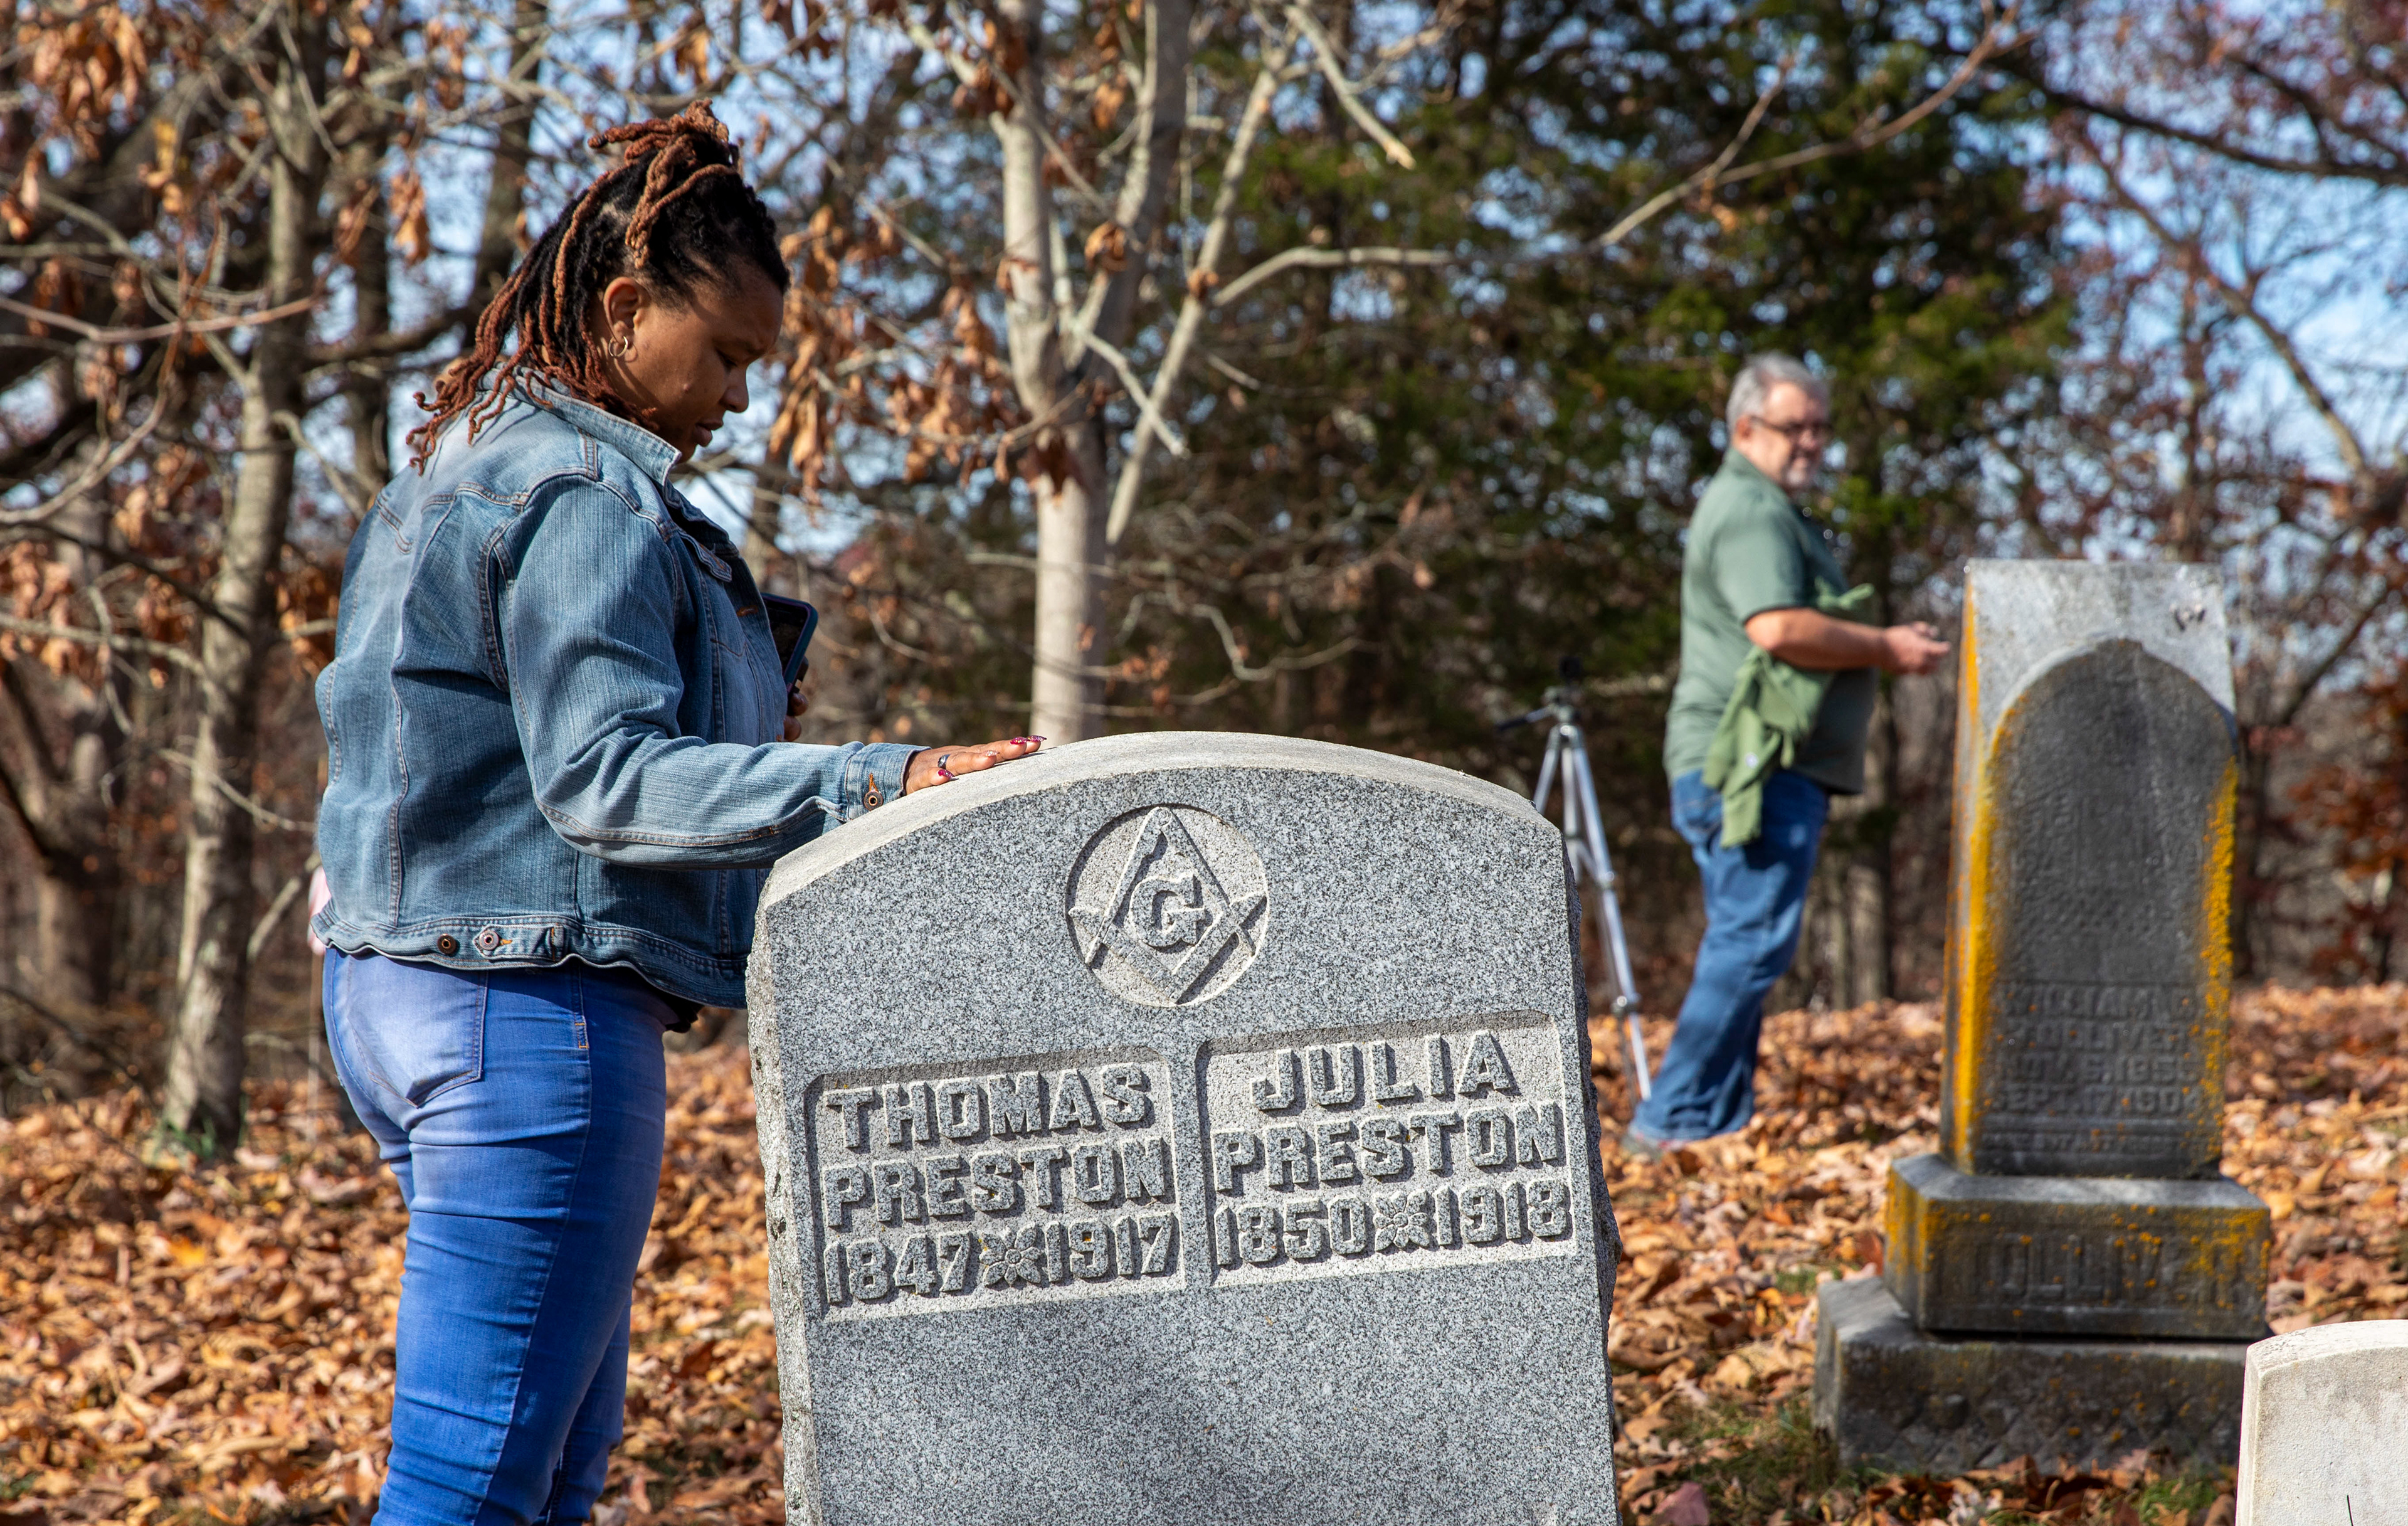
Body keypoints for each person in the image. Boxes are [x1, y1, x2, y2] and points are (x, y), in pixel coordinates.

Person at [310, 103, 1038, 1525]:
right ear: (627, 304)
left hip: (390, 988)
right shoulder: (587, 493)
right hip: (527, 1016)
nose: (738, 398)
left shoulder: (462, 461)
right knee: (477, 1491)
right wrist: (889, 776)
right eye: (724, 356)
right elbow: (607, 781)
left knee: (544, 1467)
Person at [1627, 354, 1949, 1156]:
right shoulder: (1749, 511)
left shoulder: (1764, 506)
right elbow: (1775, 626)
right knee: (1750, 939)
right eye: (1792, 426)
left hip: (1758, 762)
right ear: (1745, 429)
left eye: (1819, 426)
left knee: (1752, 941)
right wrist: (1883, 646)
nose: (1810, 442)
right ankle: (1666, 1124)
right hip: (1749, 764)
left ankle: (1712, 1125)